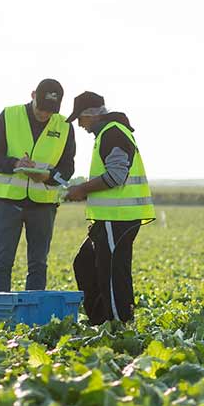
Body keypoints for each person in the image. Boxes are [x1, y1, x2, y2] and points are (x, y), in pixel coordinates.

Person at [63, 91, 155, 325]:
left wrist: (82, 190)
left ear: (91, 115)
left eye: (80, 119)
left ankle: (118, 324)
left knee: (113, 275)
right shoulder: (108, 133)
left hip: (119, 218)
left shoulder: (112, 133)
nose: (80, 125)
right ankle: (100, 320)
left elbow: (116, 176)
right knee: (84, 263)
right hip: (108, 219)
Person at [0, 78, 76, 291]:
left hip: (43, 205)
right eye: (41, 108)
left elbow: (67, 169)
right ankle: (0, 317)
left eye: (50, 111)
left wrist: (48, 176)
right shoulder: (9, 115)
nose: (44, 114)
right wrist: (14, 164)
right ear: (33, 95)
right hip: (7, 202)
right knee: (3, 262)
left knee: (38, 264)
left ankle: (34, 319)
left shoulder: (64, 126)